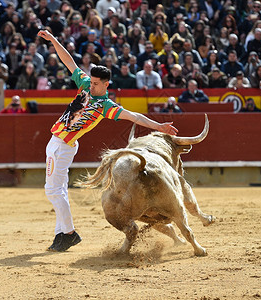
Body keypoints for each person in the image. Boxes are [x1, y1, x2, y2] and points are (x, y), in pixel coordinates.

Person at [37, 29, 178, 252]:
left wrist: (159, 126)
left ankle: (70, 233)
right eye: (90, 81)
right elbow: (69, 62)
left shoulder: (106, 106)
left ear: (106, 85)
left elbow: (134, 116)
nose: (90, 86)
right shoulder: (84, 84)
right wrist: (54, 40)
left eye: (95, 84)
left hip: (62, 145)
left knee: (53, 191)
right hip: (57, 142)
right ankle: (61, 235)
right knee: (59, 189)